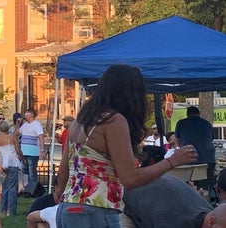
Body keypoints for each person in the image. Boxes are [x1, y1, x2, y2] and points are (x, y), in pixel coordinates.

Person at [55, 64, 198, 227]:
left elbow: (62, 174)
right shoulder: (114, 121)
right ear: (131, 93)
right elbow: (130, 178)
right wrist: (172, 161)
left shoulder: (79, 121)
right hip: (96, 209)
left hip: (68, 208)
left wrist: (61, 198)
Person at [123, 174, 222, 228]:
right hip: (126, 203)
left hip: (154, 188)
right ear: (211, 222)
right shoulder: (177, 222)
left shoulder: (210, 213)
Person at [175, 106, 216, 192]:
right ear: (199, 114)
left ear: (187, 114)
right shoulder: (207, 123)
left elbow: (178, 141)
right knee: (206, 185)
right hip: (208, 158)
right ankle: (207, 200)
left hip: (189, 156)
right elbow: (211, 139)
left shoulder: (181, 123)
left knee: (189, 184)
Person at [0, 120, 24, 216]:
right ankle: (11, 211)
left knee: (4, 187)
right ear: (8, 128)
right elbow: (18, 150)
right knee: (12, 188)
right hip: (12, 163)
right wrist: (22, 158)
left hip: (0, 164)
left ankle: (2, 211)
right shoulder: (12, 138)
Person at [18, 109, 46, 197]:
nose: (25, 116)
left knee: (32, 172)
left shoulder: (36, 124)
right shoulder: (24, 125)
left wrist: (42, 150)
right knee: (25, 172)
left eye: (27, 114)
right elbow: (17, 133)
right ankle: (26, 190)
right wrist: (18, 124)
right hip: (24, 152)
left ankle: (31, 191)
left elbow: (41, 137)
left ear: (31, 115)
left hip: (33, 152)